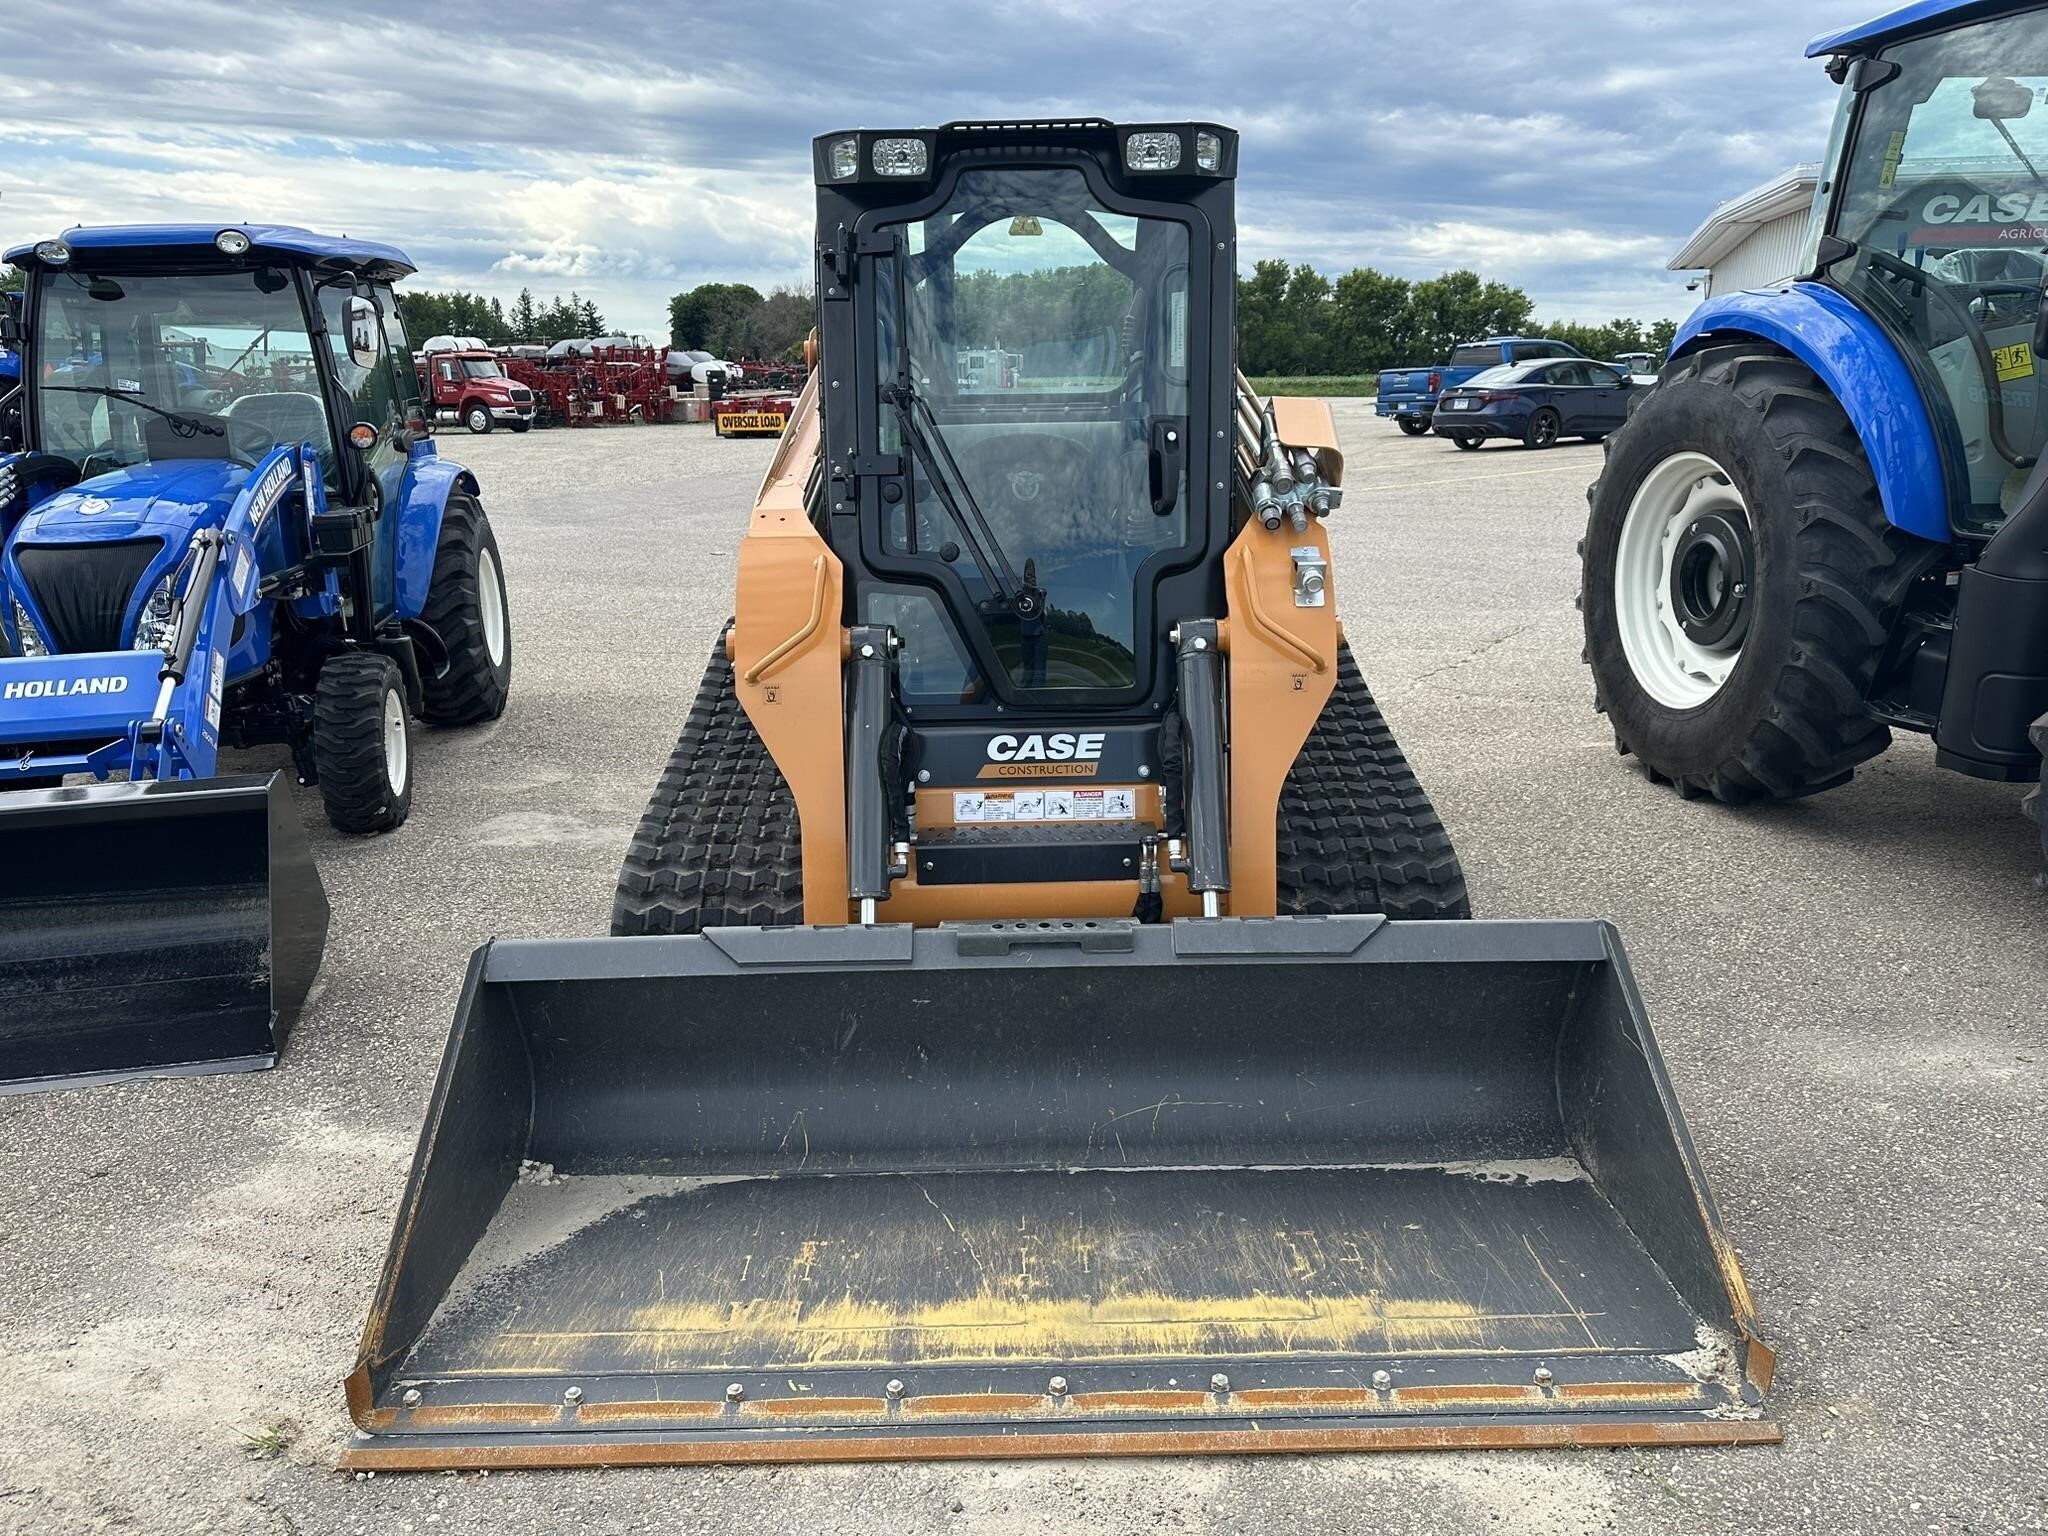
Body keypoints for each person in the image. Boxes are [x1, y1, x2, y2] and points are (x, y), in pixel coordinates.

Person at [1017, 558, 1048, 689]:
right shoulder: (1020, 594)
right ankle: (1025, 696)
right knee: (1028, 669)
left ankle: (1038, 698)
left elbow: (1041, 613)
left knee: (1039, 671)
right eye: (1029, 575)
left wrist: (1042, 596)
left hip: (1039, 635)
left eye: (1034, 576)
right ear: (1024, 577)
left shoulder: (1039, 594)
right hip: (1025, 635)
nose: (1032, 579)